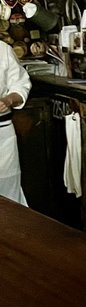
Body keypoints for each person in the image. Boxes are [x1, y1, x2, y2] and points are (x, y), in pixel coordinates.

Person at [0, 41, 31, 204]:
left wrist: (9, 99)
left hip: (2, 134)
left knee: (9, 195)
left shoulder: (3, 50)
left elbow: (21, 86)